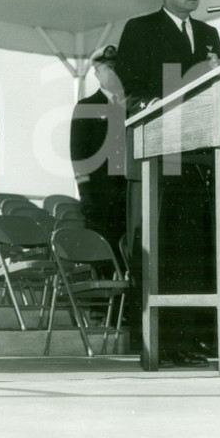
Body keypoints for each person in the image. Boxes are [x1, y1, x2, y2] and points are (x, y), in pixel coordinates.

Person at [116, 0, 220, 367]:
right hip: (160, 154)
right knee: (160, 247)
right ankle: (156, 340)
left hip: (198, 157)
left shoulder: (211, 35)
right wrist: (160, 105)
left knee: (194, 249)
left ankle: (190, 337)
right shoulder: (140, 29)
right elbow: (133, 88)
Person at [69, 44, 127, 270]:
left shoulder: (132, 106)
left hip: (130, 193)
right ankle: (102, 307)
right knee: (104, 259)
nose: (114, 72)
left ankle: (127, 306)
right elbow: (79, 154)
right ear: (96, 73)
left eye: (117, 67)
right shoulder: (86, 106)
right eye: (108, 68)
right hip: (100, 196)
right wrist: (85, 193)